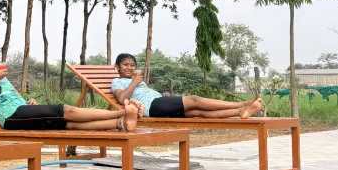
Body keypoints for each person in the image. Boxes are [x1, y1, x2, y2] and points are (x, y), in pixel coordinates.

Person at [0, 40, 140, 132]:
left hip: (21, 111)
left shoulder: (1, 76)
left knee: (69, 124)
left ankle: (120, 123)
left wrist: (28, 102)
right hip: (10, 117)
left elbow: (15, 97)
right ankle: (121, 112)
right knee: (66, 110)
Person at [111, 53, 263, 119]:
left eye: (132, 65)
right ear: (117, 67)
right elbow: (121, 98)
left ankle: (240, 111)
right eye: (125, 64)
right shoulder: (117, 81)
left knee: (198, 112)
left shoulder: (137, 81)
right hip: (152, 107)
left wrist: (162, 96)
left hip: (158, 103)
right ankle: (243, 104)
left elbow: (143, 93)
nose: (129, 67)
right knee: (195, 99)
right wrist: (134, 83)